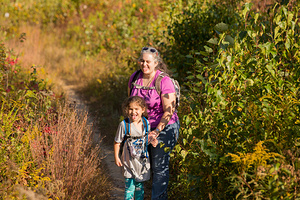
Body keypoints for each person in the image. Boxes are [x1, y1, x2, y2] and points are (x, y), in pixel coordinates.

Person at [128, 47, 180, 200]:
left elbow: (169, 111)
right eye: (142, 61)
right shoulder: (134, 78)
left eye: (148, 61)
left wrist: (156, 131)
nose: (144, 64)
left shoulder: (164, 81)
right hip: (141, 128)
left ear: (156, 63)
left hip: (164, 127)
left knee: (159, 168)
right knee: (138, 166)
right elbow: (131, 105)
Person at [114, 96, 158, 200]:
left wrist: (152, 140)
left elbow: (146, 138)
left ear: (143, 110)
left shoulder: (146, 123)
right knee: (129, 187)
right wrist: (116, 156)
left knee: (139, 188)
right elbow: (117, 142)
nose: (133, 112)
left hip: (141, 162)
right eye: (130, 109)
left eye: (136, 109)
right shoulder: (124, 125)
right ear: (127, 110)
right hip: (128, 162)